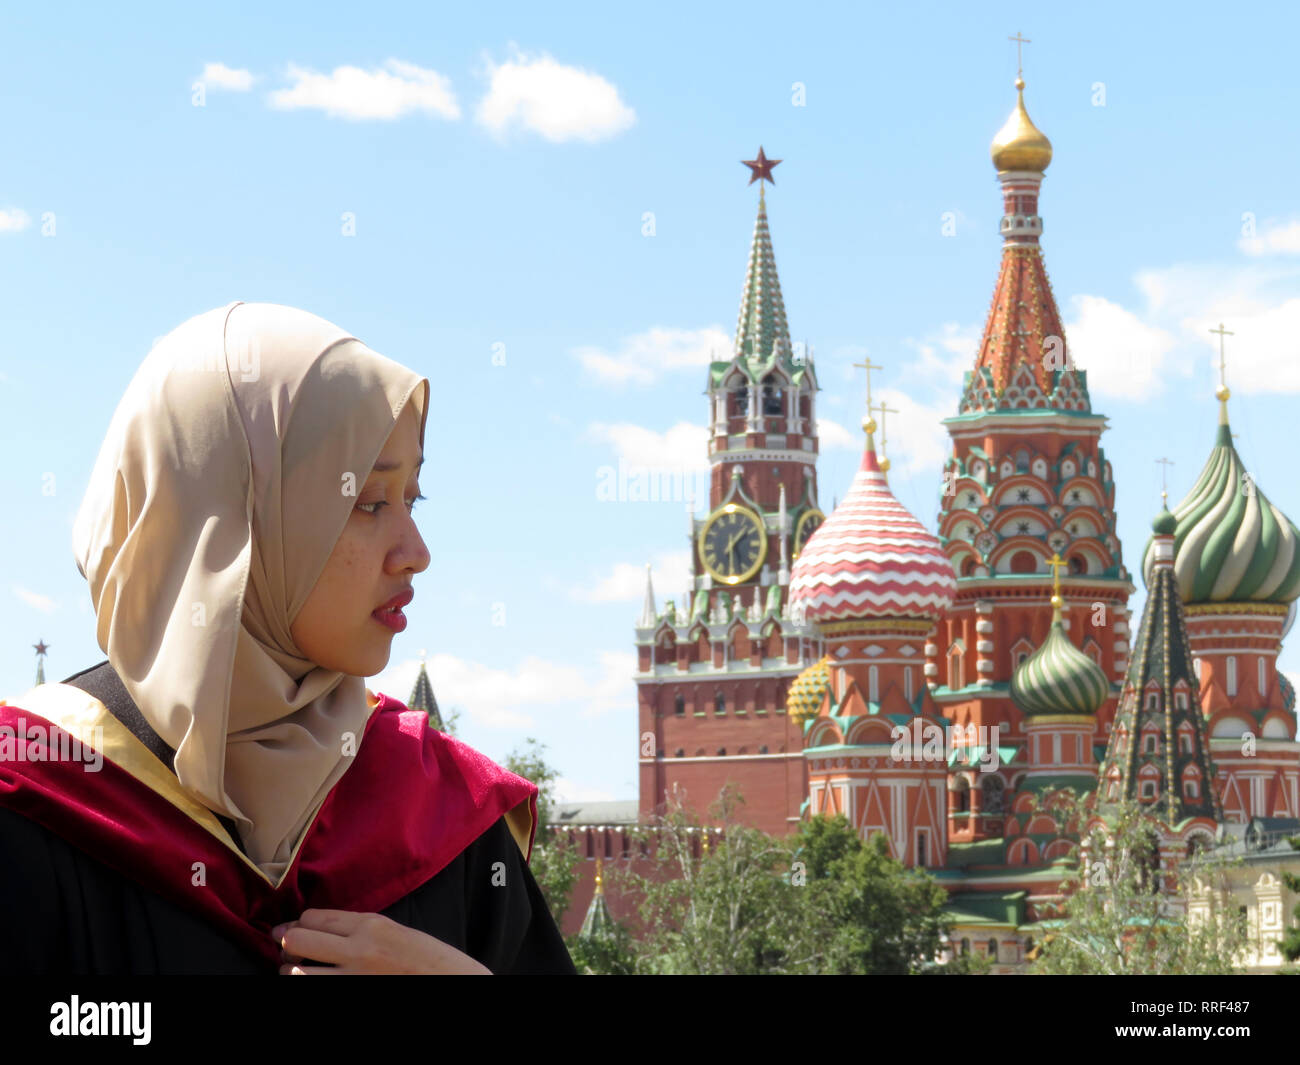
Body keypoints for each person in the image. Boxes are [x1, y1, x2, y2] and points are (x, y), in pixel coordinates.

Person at [0, 301, 576, 975]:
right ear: (230, 516)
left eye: (413, 498)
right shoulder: (37, 796)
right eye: (368, 501)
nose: (416, 551)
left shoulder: (442, 811)